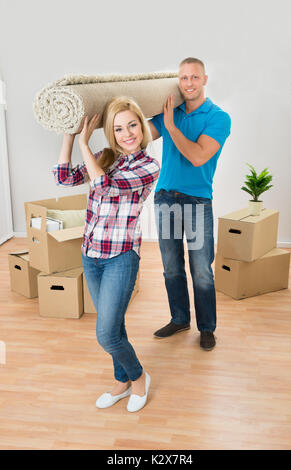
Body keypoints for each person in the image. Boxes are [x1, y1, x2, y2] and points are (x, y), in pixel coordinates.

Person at [52, 96, 160, 412]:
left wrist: (85, 145)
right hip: (91, 254)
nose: (127, 133)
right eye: (118, 128)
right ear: (111, 133)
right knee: (114, 328)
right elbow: (64, 177)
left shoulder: (148, 166)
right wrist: (71, 134)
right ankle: (121, 381)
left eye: (132, 125)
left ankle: (139, 378)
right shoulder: (107, 156)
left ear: (141, 125)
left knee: (106, 335)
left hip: (121, 257)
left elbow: (104, 187)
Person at [148, 57, 231, 350]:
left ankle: (206, 328)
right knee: (171, 267)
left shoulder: (218, 117)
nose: (189, 83)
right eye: (183, 78)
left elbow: (197, 156)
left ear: (205, 79)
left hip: (197, 202)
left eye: (194, 77)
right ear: (178, 82)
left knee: (201, 270)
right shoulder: (171, 111)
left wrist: (170, 126)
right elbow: (139, 135)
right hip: (165, 198)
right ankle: (180, 318)